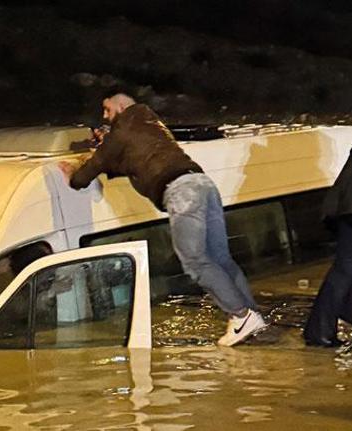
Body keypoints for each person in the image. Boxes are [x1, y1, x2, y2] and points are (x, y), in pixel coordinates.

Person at [59, 93, 267, 346]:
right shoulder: (147, 121)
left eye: (107, 109)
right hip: (202, 184)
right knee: (220, 258)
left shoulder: (123, 127)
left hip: (182, 193)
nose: (104, 116)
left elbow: (91, 170)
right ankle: (252, 315)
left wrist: (72, 175)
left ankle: (241, 316)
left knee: (194, 261)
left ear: (122, 107)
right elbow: (132, 161)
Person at [304, 148, 352, 347]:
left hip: (347, 205)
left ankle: (322, 329)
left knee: (346, 268)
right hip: (350, 206)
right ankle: (320, 331)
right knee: (345, 268)